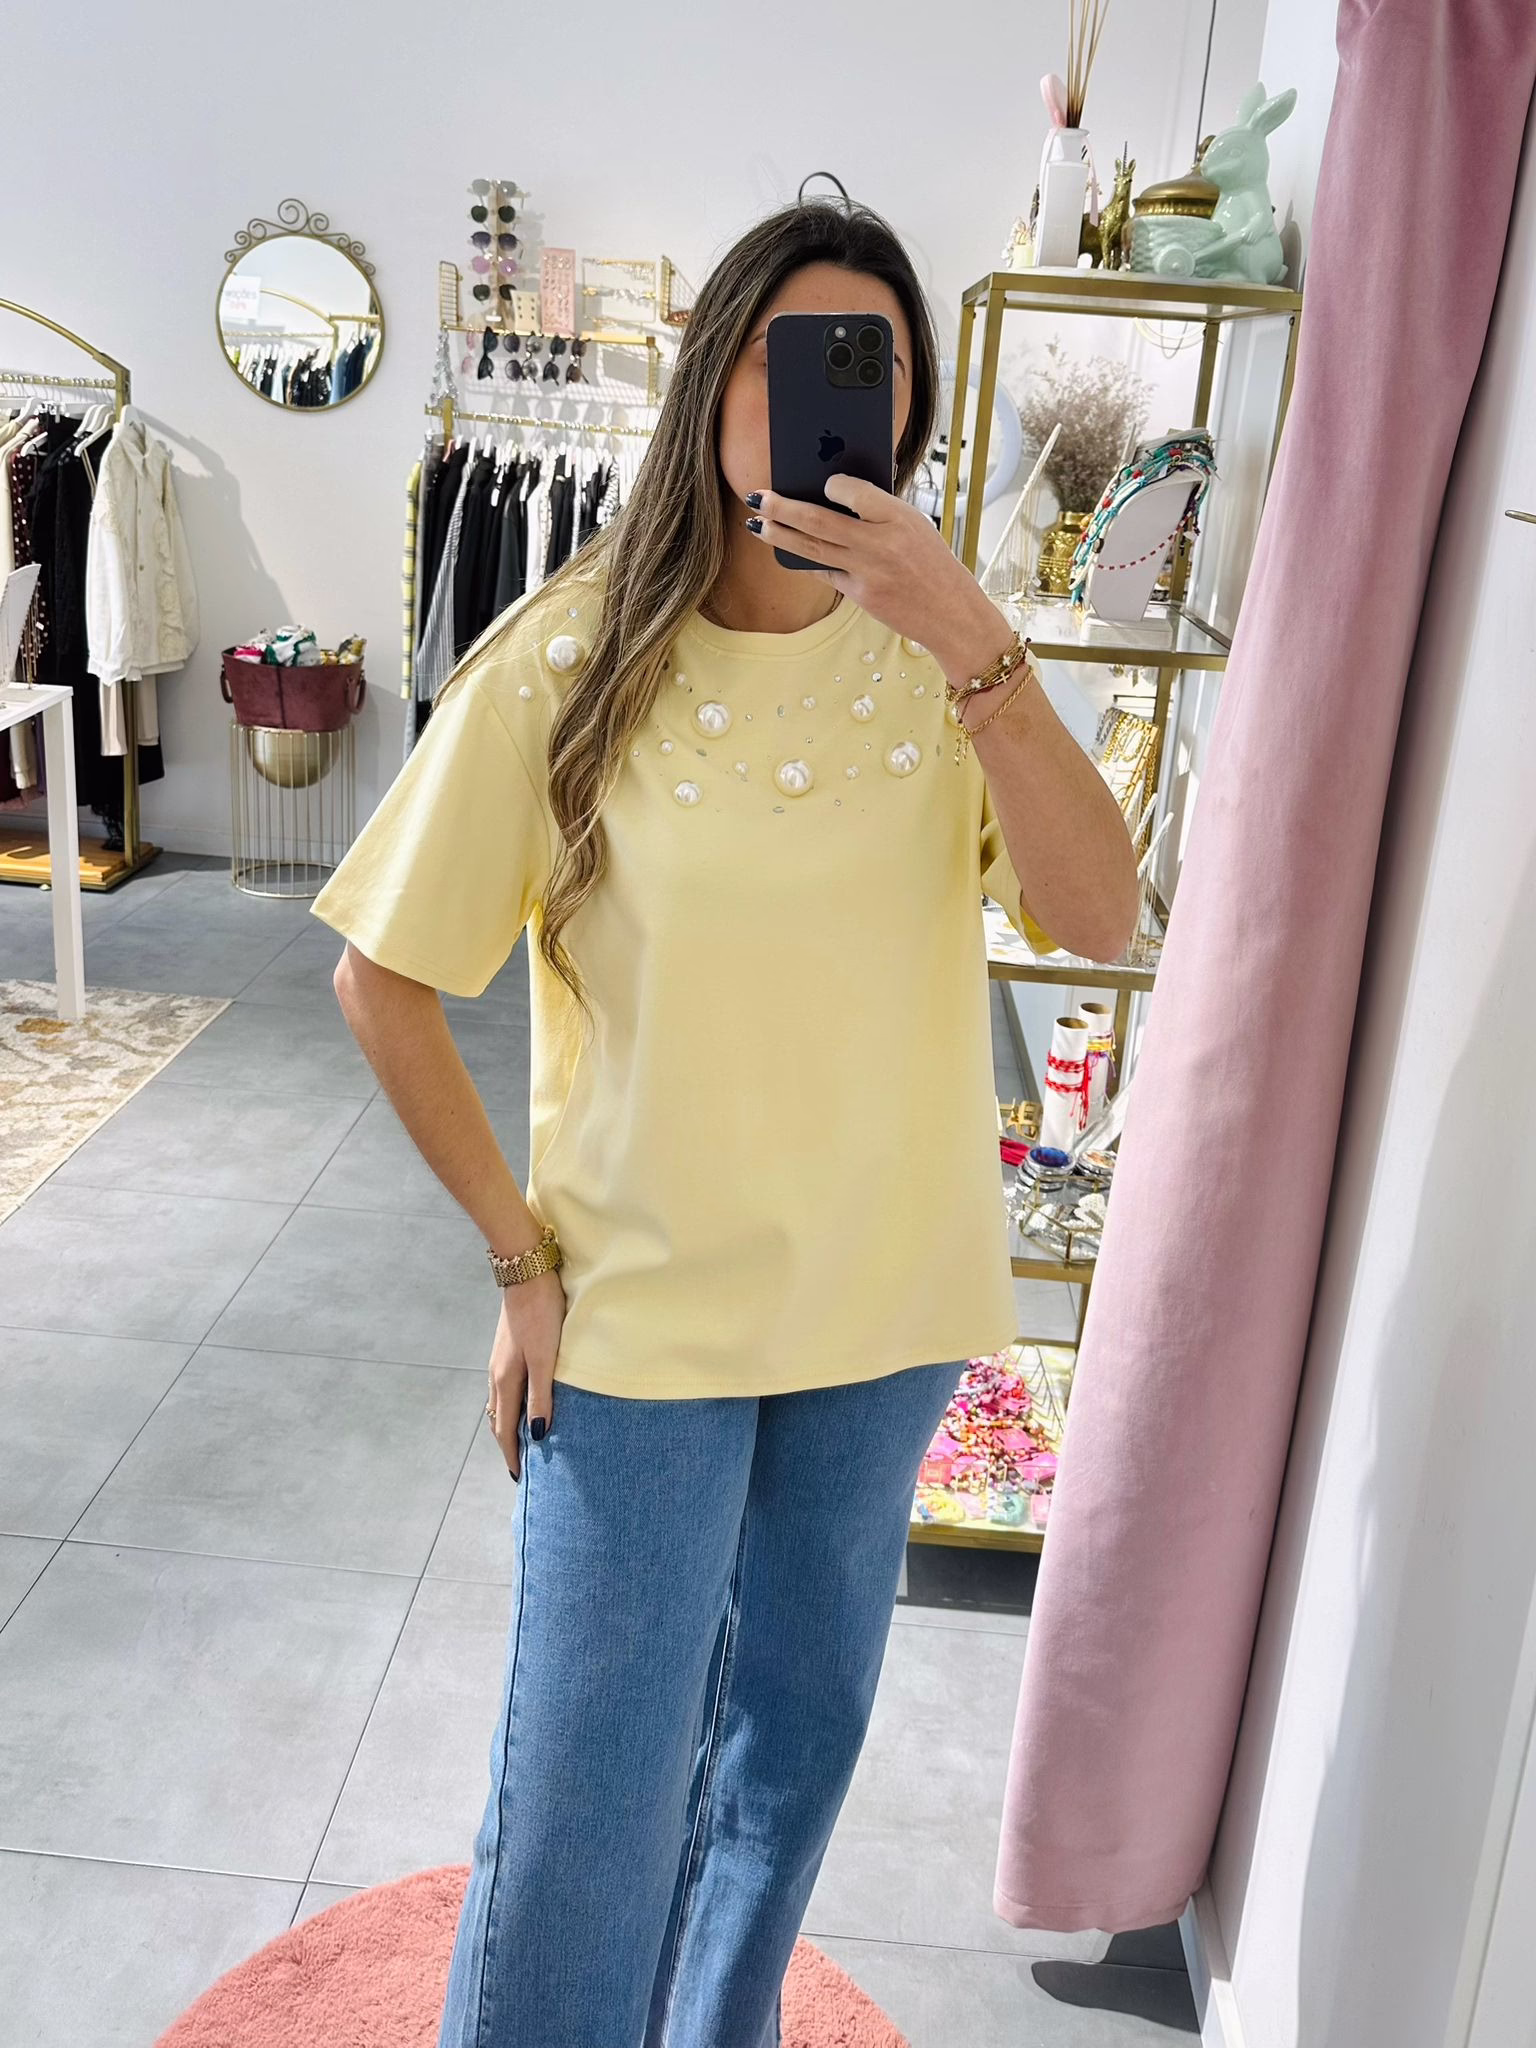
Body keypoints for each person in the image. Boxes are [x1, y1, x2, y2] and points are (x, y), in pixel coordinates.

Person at [310, 196, 1137, 2048]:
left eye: (870, 365)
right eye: (783, 358)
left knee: (793, 1747)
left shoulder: (950, 666)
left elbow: (1098, 915)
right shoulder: (568, 658)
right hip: (644, 1318)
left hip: (885, 1313)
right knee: (590, 1786)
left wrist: (974, 633)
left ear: (909, 408)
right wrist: (517, 1260)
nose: (826, 397)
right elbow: (383, 977)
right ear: (710, 386)